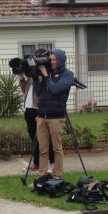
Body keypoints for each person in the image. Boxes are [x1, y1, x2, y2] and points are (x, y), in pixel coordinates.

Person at [33, 49, 74, 179]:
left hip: (56, 117)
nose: (52, 62)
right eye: (50, 60)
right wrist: (35, 78)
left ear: (61, 60)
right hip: (41, 116)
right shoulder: (48, 74)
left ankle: (57, 176)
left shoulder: (68, 75)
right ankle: (42, 176)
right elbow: (39, 92)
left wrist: (46, 76)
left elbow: (56, 89)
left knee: (57, 149)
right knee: (43, 150)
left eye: (54, 60)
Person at [19, 49, 54, 172]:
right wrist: (21, 77)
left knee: (44, 138)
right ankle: (36, 163)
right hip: (29, 110)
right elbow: (25, 91)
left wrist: (37, 76)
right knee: (33, 138)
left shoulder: (43, 77)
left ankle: (52, 162)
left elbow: (41, 92)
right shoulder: (31, 77)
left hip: (39, 110)